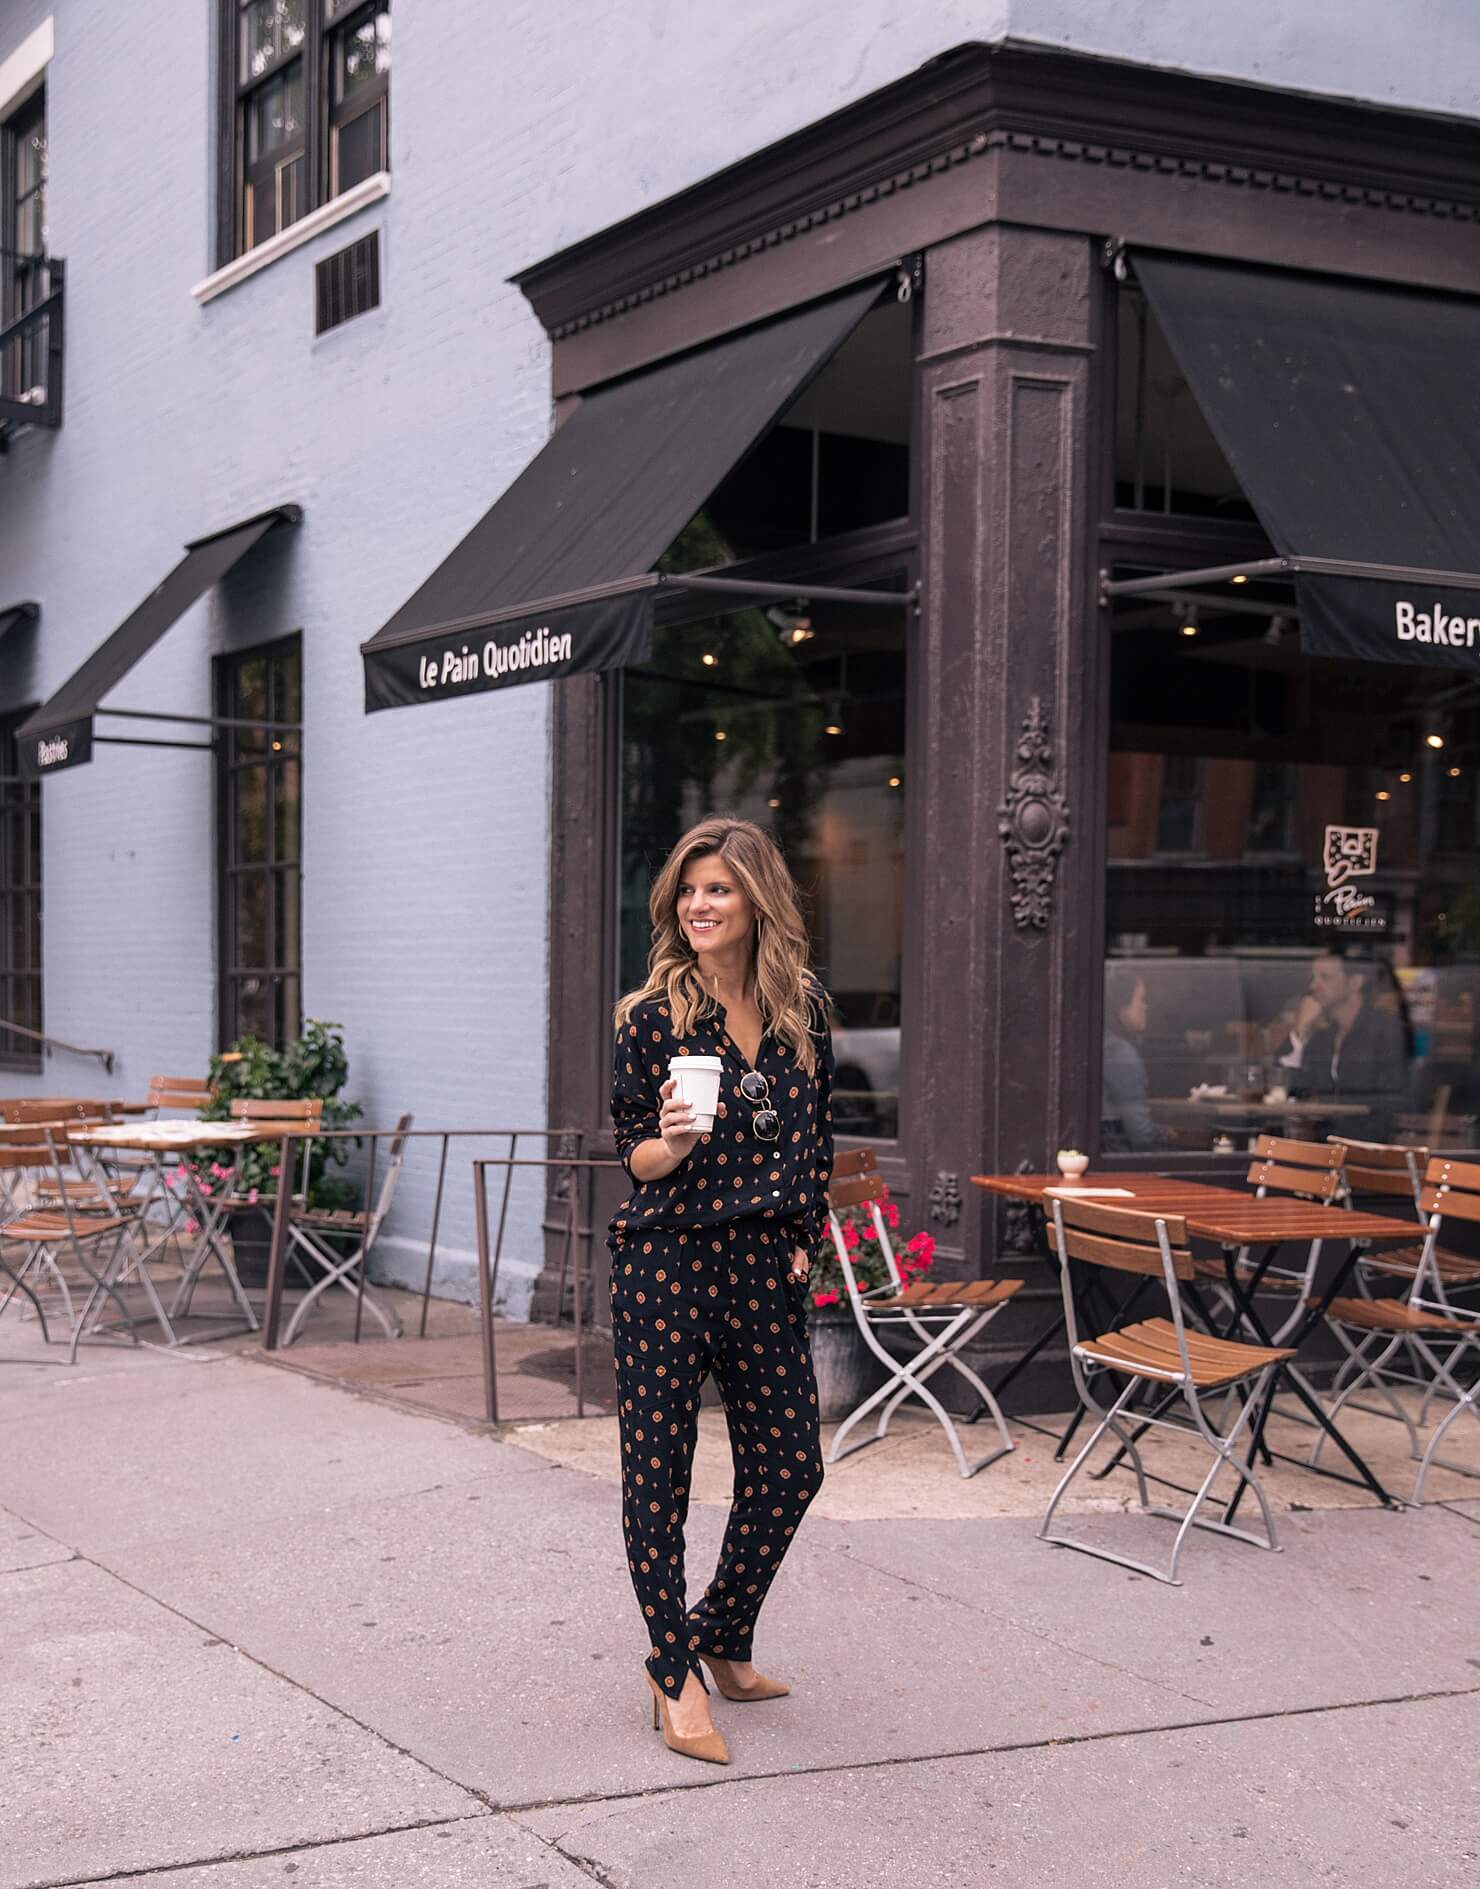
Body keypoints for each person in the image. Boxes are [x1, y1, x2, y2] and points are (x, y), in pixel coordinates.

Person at [608, 815, 833, 1767]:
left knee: (790, 1465)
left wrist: (802, 1245)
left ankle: (723, 1631)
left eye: (720, 889)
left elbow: (817, 1141)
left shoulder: (801, 1013)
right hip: (667, 1262)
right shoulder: (651, 1015)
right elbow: (635, 1155)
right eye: (689, 889)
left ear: (756, 901)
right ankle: (674, 1668)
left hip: (760, 1268)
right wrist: (678, 1142)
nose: (700, 904)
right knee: (659, 1473)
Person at [1277, 952, 1410, 1139]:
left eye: (1325, 978)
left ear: (1355, 983)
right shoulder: (1323, 1035)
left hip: (1368, 1140)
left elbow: (1387, 1098)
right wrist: (1300, 1030)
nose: (1313, 986)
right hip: (1322, 1139)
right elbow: (1286, 1086)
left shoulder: (1384, 1030)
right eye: (1313, 978)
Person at [1101, 965, 1174, 1152]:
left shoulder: (1105, 1045)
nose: (1145, 1006)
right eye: (1141, 999)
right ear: (1122, 1006)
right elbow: (1140, 1134)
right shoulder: (1120, 1053)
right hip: (1119, 1161)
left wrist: (1161, 1132)